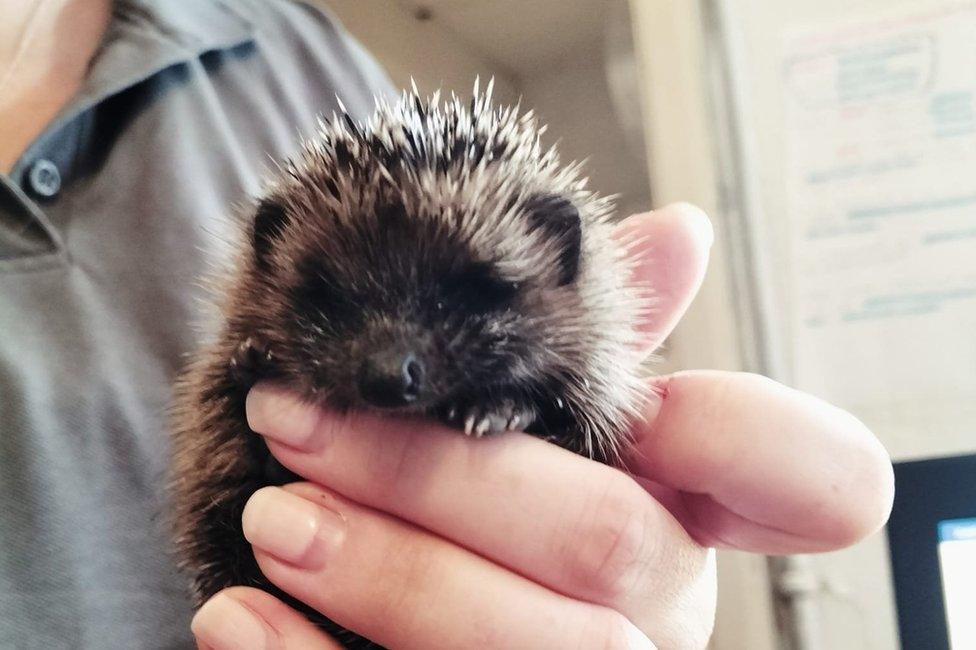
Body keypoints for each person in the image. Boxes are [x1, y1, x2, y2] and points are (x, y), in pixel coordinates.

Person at [0, 1, 894, 648]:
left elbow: (591, 445)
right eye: (334, 301)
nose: (392, 363)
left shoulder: (298, 53)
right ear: (269, 269)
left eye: (472, 295)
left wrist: (625, 579)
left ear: (559, 259)